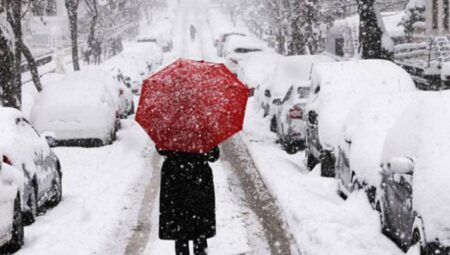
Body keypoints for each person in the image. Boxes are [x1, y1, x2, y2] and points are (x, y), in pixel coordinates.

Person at [157, 146, 220, 255]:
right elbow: (213, 156)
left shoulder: (171, 132)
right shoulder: (203, 132)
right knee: (199, 230)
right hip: (199, 182)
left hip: (176, 181)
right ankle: (200, 251)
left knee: (180, 230)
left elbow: (161, 150)